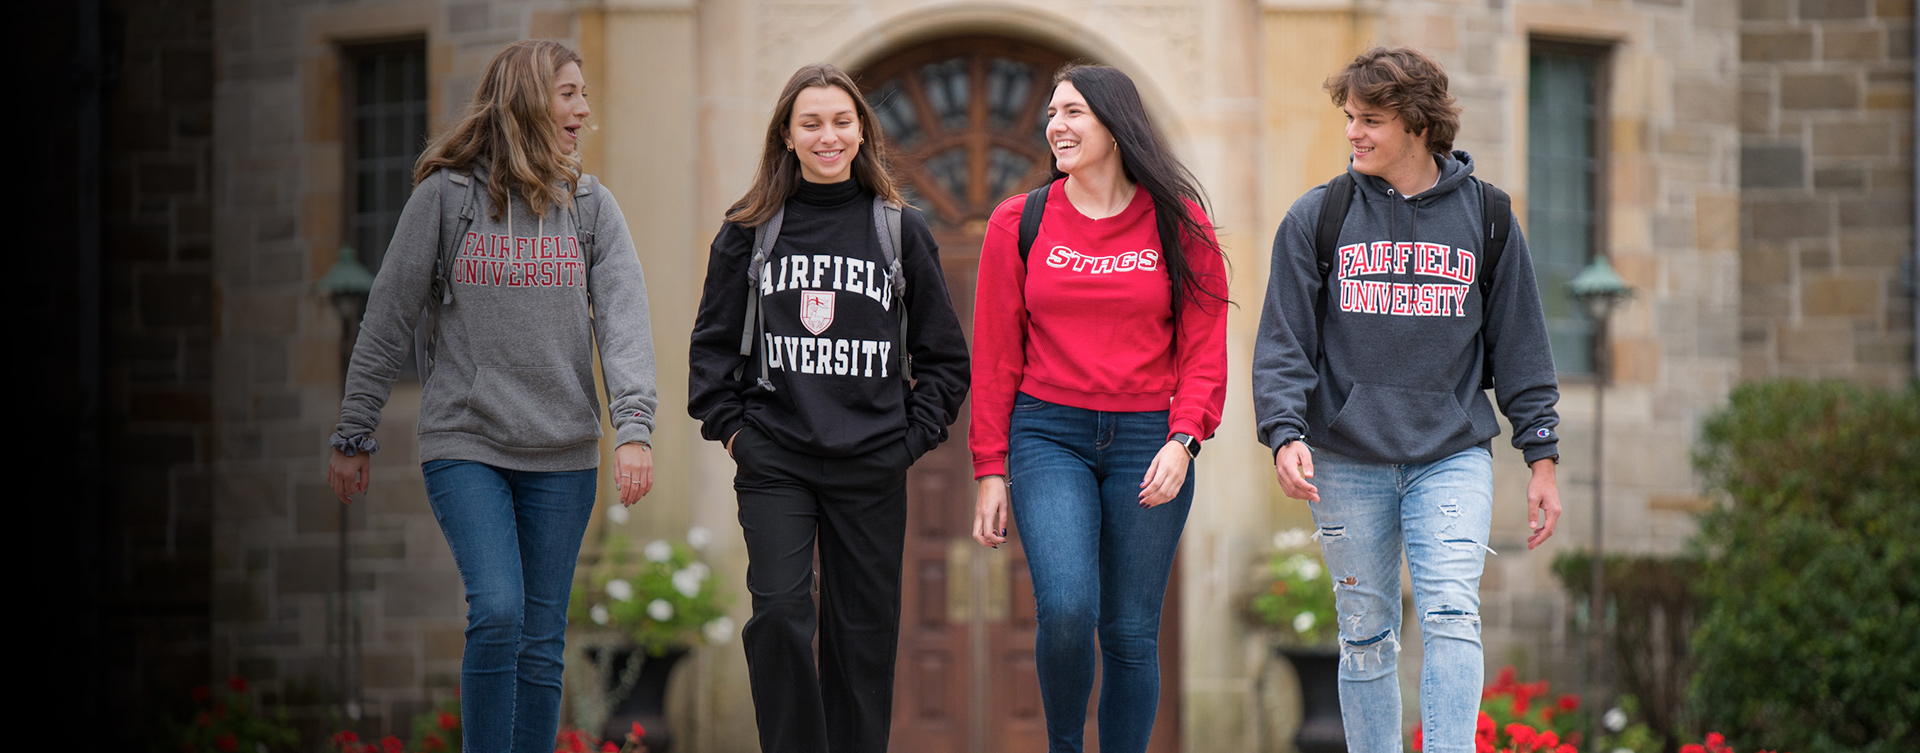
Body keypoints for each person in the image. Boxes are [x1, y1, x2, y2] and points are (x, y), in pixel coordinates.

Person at [324, 40, 658, 753]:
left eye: (585, 95)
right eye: (569, 93)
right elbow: (387, 317)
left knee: (542, 641)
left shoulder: (592, 208)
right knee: (498, 608)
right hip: (468, 442)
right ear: (528, 98)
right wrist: (354, 433)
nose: (583, 109)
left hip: (564, 452)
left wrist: (634, 425)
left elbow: (626, 324)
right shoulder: (444, 200)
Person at [1252, 46, 1564, 752]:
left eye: (1371, 120)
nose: (1353, 133)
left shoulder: (1487, 218)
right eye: (1350, 118)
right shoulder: (1319, 216)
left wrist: (1541, 457)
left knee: (1453, 611)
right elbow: (1283, 340)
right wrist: (1284, 430)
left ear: (1418, 125)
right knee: (1364, 630)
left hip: (1449, 454)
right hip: (1346, 459)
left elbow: (1522, 344)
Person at [686, 62, 969, 753]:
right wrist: (736, 435)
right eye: (811, 123)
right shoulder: (748, 232)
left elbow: (945, 359)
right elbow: (711, 352)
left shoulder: (900, 231)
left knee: (862, 643)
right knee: (780, 614)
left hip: (871, 461)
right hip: (777, 457)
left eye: (842, 121)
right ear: (786, 135)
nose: (828, 135)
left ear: (862, 131)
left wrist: (906, 442)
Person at [969, 63, 1229, 753]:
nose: (1057, 124)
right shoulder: (1016, 222)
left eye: (1074, 111)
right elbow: (996, 358)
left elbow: (1204, 349)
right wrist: (989, 468)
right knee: (1065, 607)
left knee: (1130, 631)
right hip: (1047, 434)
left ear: (1116, 125)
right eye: (1052, 112)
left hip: (1150, 436)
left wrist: (1184, 439)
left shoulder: (1181, 224)